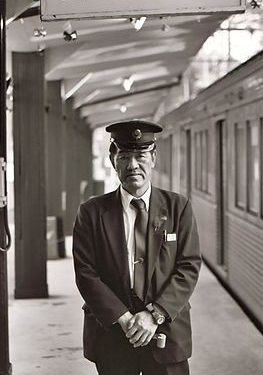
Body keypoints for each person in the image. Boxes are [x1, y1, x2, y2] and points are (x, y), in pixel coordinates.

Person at [73, 119, 201, 375]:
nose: (133, 165)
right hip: (112, 333)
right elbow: (86, 273)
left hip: (166, 332)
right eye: (125, 156)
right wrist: (125, 319)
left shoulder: (178, 207)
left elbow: (188, 266)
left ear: (153, 158)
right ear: (113, 159)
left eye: (141, 155)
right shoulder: (91, 212)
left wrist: (154, 316)